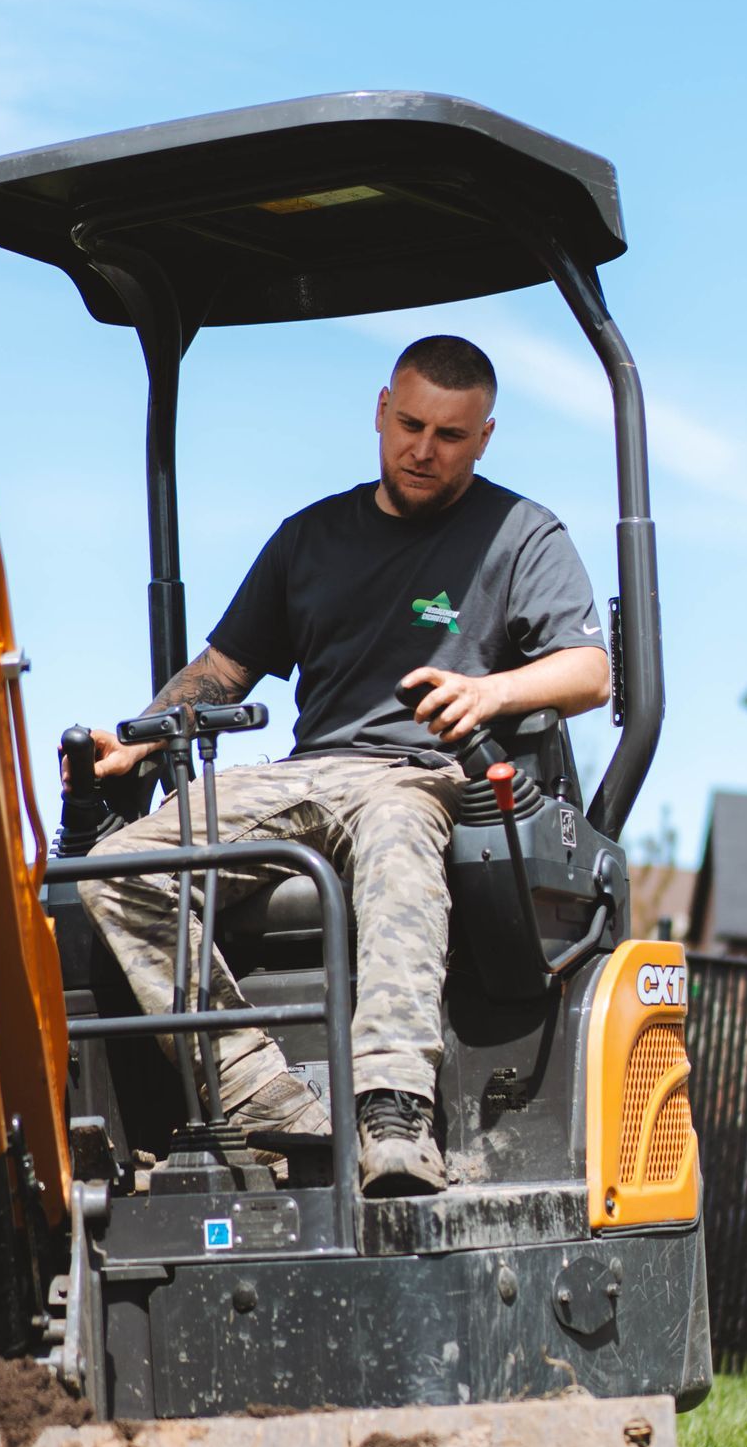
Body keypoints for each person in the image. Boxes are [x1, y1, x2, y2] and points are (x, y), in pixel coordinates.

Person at [77, 334, 611, 1197]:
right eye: (409, 425)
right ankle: (259, 1092)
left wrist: (488, 694)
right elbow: (221, 670)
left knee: (398, 830)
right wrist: (136, 737)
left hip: (426, 775)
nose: (423, 449)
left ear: (484, 437)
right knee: (122, 868)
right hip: (310, 772)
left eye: (449, 435)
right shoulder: (311, 538)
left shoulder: (520, 535)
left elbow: (588, 672)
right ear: (379, 411)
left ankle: (393, 1109)